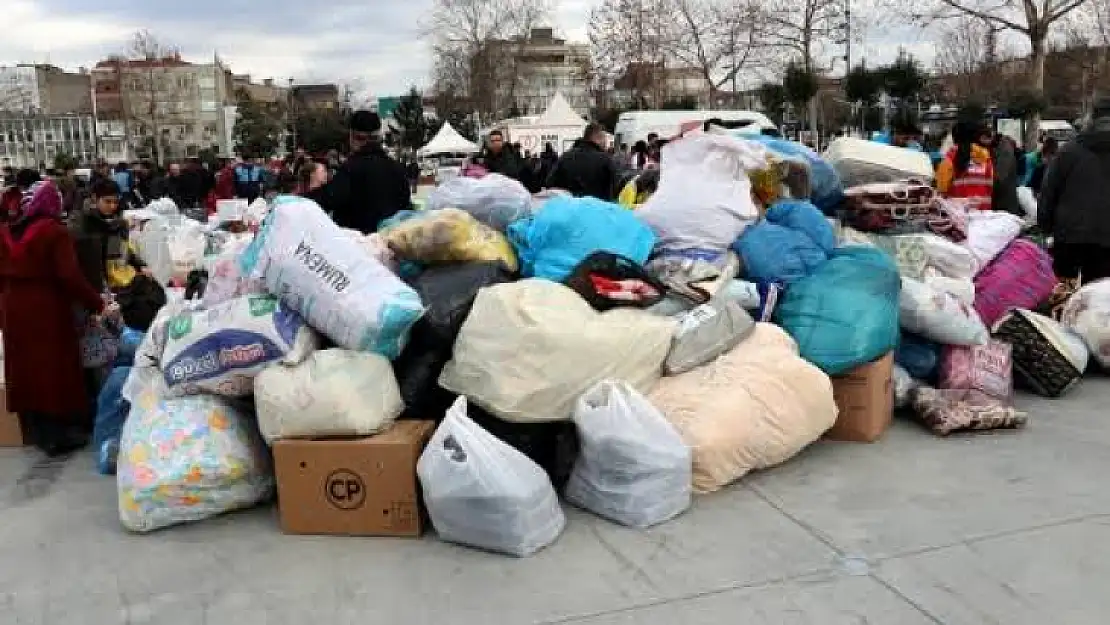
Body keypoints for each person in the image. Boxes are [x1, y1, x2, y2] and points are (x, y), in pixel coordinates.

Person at [0, 180, 107, 456]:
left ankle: (36, 430)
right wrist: (97, 303)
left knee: (25, 367)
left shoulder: (6, 231)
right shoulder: (54, 232)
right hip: (46, 306)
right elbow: (70, 276)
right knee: (52, 368)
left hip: (12, 305)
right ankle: (56, 436)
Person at [1038, 98, 1110, 283]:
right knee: (1099, 296)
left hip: (1069, 234)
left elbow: (1049, 191)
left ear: (1092, 118)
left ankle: (1062, 310)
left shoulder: (1069, 151)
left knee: (1062, 290)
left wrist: (1045, 225)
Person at [305, 110, 411, 234]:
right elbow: (405, 205)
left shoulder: (352, 169)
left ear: (352, 137)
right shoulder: (397, 168)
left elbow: (328, 199)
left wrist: (295, 199)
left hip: (359, 245)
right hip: (391, 244)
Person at [69, 178, 149, 293]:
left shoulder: (119, 224)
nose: (112, 206)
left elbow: (125, 251)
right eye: (107, 201)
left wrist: (140, 265)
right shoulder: (80, 223)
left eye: (115, 202)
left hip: (118, 283)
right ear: (95, 198)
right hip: (93, 285)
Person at [546, 123, 619, 201]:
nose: (606, 143)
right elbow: (614, 190)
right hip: (597, 209)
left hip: (570, 209)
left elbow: (549, 183)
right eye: (604, 139)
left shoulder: (565, 157)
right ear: (598, 138)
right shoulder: (606, 160)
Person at [936, 119, 995, 211]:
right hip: (984, 211)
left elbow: (942, 189)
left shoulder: (950, 158)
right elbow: (990, 186)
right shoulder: (986, 157)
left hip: (959, 213)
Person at [991, 134, 1024, 216]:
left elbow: (1000, 178)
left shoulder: (1005, 152)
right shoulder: (1006, 151)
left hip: (1004, 204)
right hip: (1007, 202)